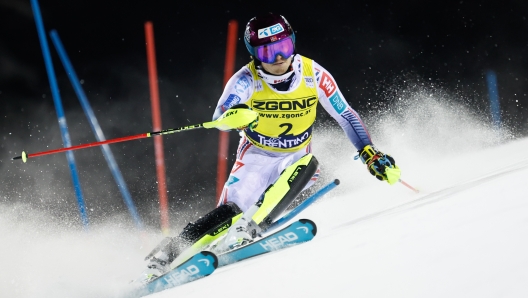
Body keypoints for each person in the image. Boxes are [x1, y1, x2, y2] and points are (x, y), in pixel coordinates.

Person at [138, 12, 400, 283]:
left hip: (297, 156)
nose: (278, 59)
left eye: (284, 47)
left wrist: (369, 152)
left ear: (293, 43)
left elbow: (344, 114)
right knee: (229, 212)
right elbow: (220, 116)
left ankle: (248, 228)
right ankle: (164, 257)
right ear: (254, 54)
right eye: (268, 52)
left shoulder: (314, 74)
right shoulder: (245, 80)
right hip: (256, 156)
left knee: (308, 166)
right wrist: (235, 115)